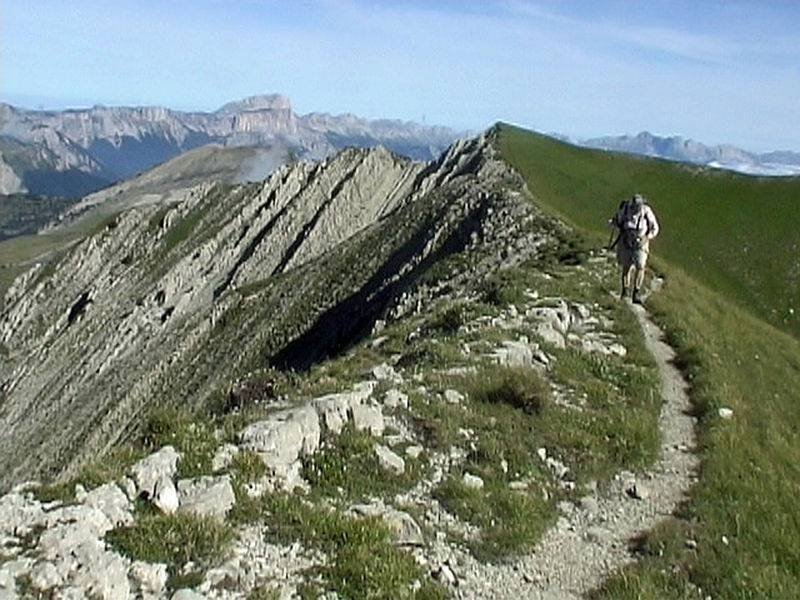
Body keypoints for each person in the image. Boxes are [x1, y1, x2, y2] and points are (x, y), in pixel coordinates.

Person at [609, 194, 659, 304]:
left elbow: (655, 228)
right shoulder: (626, 209)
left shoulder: (646, 212)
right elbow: (618, 219)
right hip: (626, 241)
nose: (635, 209)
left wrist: (647, 237)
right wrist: (614, 222)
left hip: (641, 243)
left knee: (640, 266)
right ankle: (625, 292)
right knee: (626, 266)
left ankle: (636, 292)